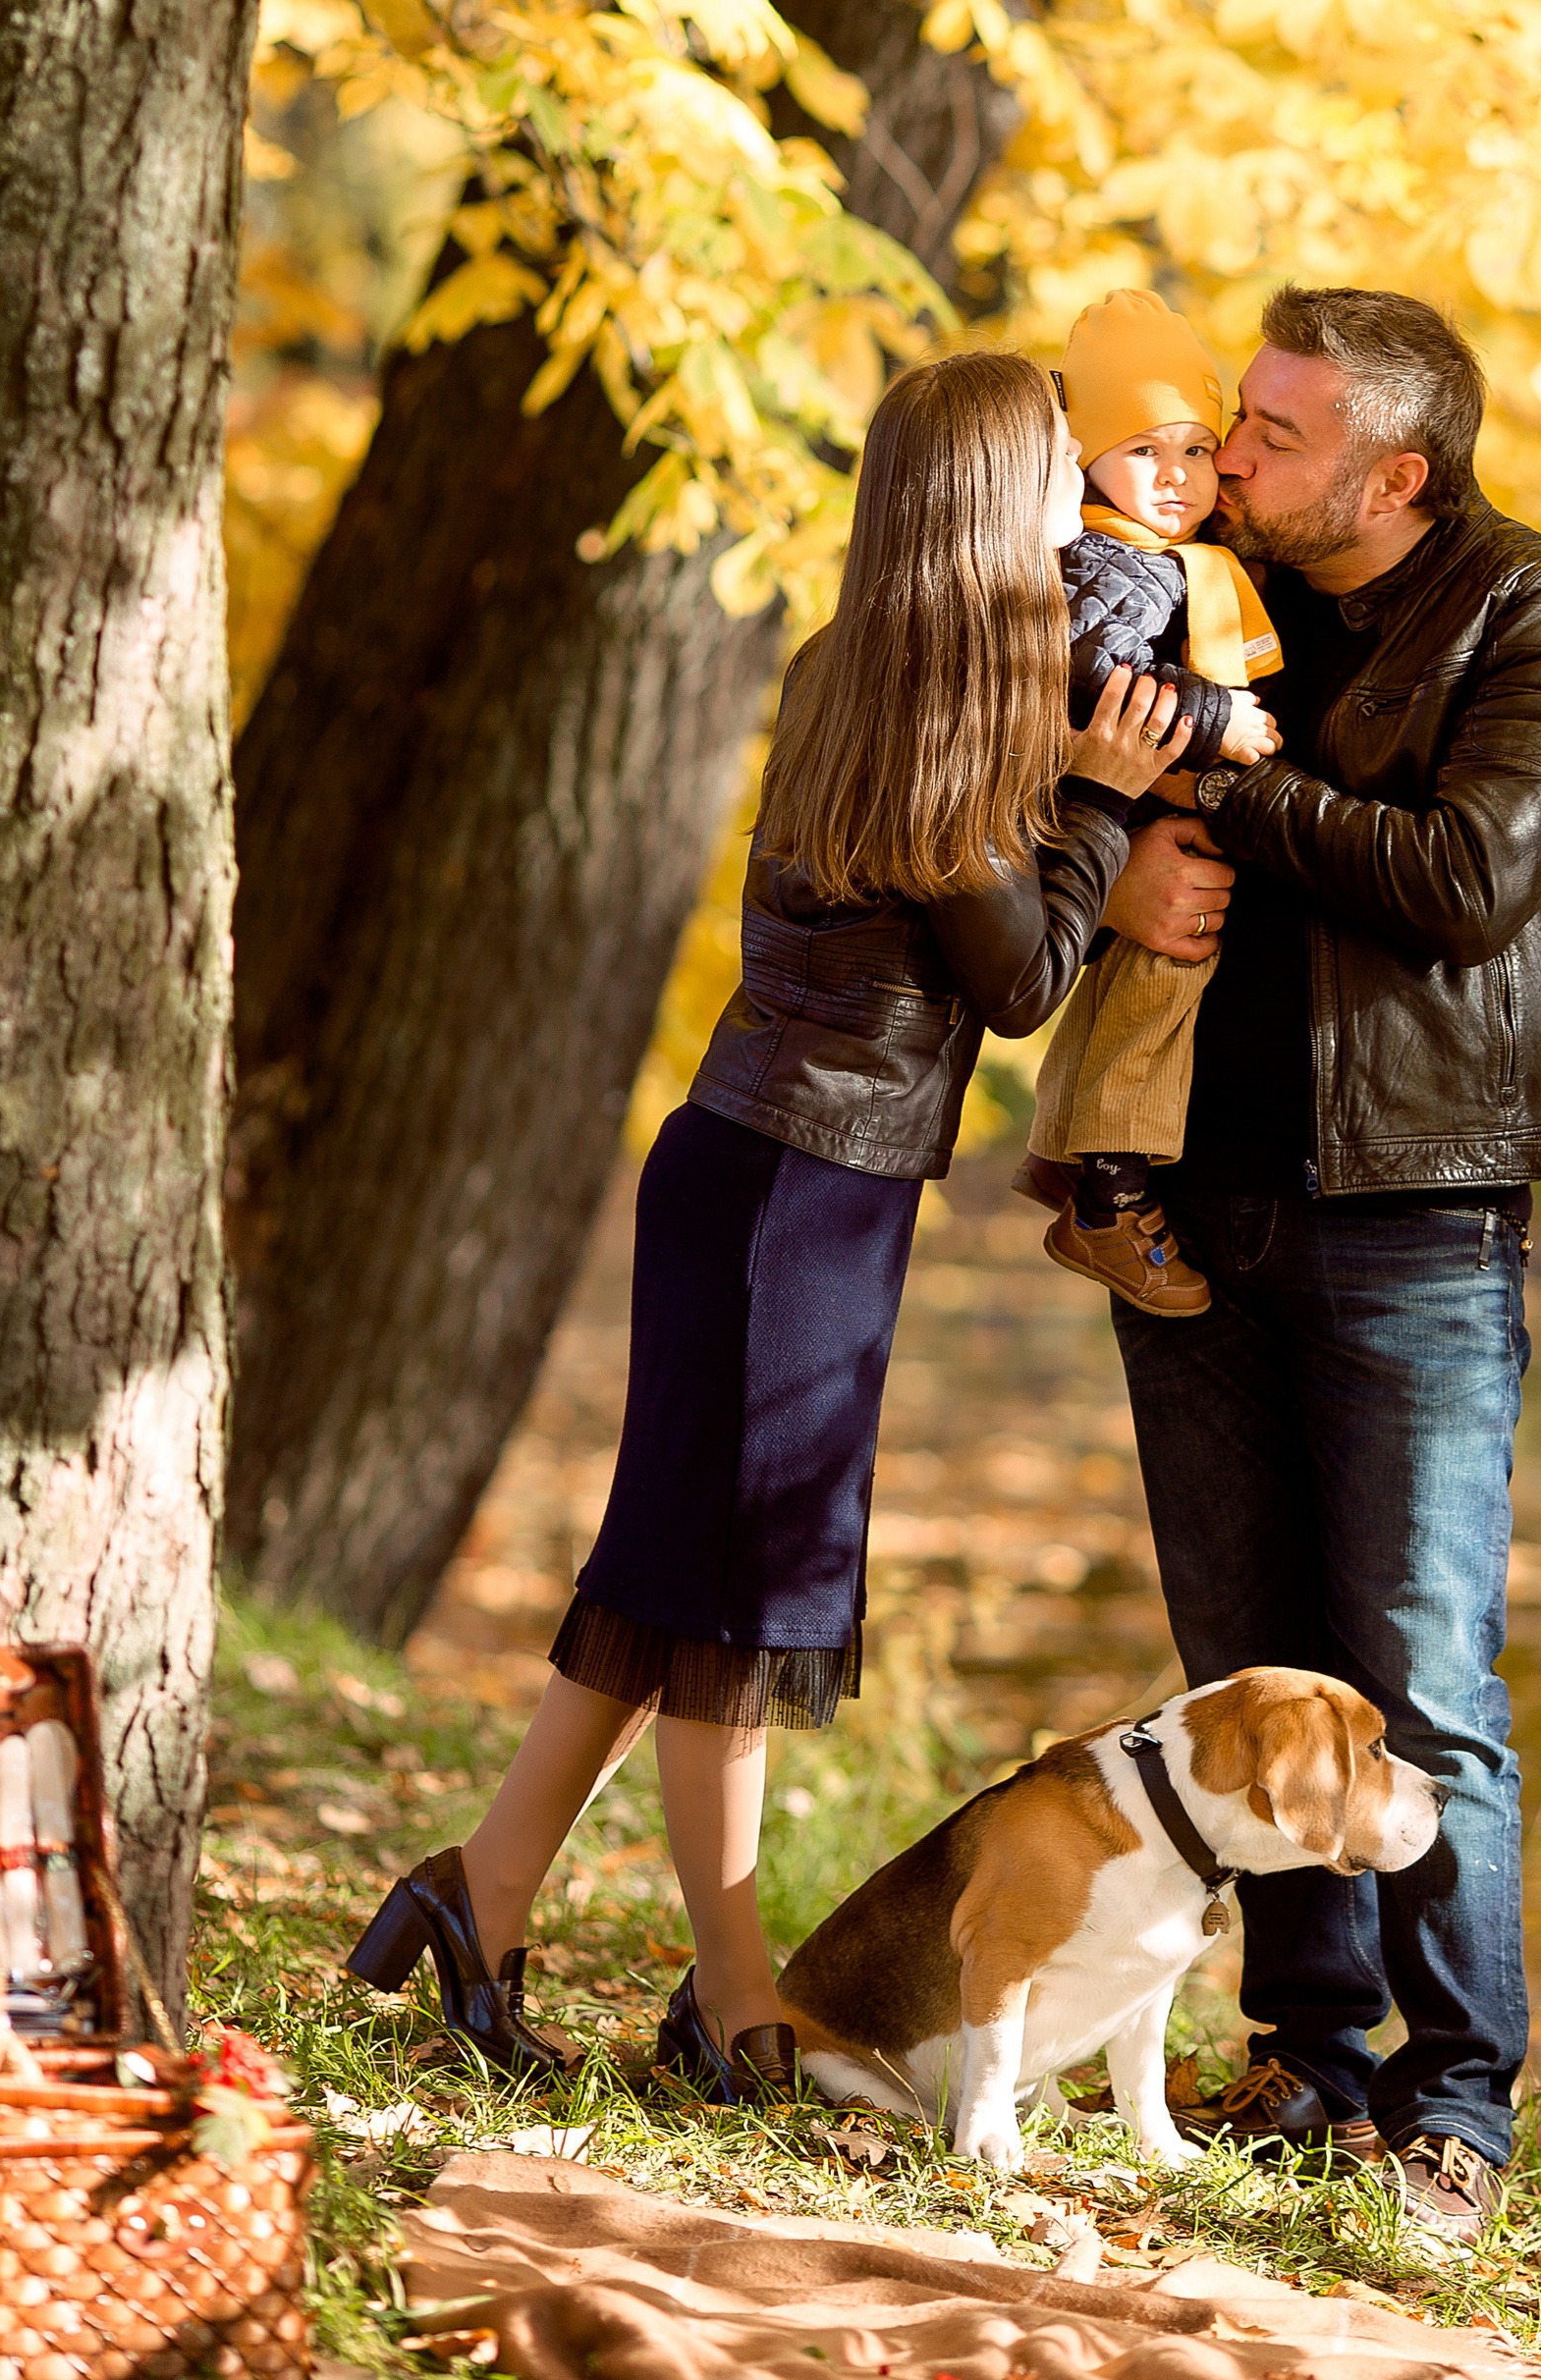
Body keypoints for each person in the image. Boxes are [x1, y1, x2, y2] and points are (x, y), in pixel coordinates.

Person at [343, 350, 1190, 2100]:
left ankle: (477, 1896)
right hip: (801, 1187)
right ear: (987, 496)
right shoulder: (947, 713)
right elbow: (1021, 980)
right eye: (1055, 467)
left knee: (666, 1580)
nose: (1081, 494)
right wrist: (1104, 803)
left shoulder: (858, 665)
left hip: (764, 1168)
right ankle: (733, 1995)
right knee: (741, 1598)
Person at [1093, 286, 1541, 2237]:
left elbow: (1468, 883)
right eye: (1236, 418)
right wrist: (1111, 856)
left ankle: (1455, 2104)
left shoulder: (1532, 615)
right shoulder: (1187, 578)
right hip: (1185, 1193)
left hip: (1412, 1204)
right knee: (1250, 1665)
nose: (1229, 454)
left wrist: (1217, 787)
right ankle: (1300, 2058)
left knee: (1415, 1687)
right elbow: (1058, 734)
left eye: (1275, 433)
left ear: (1397, 474)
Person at [1022, 290, 1282, 1318]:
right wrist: (1215, 712)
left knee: (1147, 985)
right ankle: (1111, 1187)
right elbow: (1093, 671)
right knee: (1168, 967)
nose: (1175, 477)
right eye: (1142, 452)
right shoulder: (1110, 561)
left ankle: (1084, 1168)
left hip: (1128, 800)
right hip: (1114, 807)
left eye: (1194, 449)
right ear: (1084, 458)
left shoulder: (1170, 560)